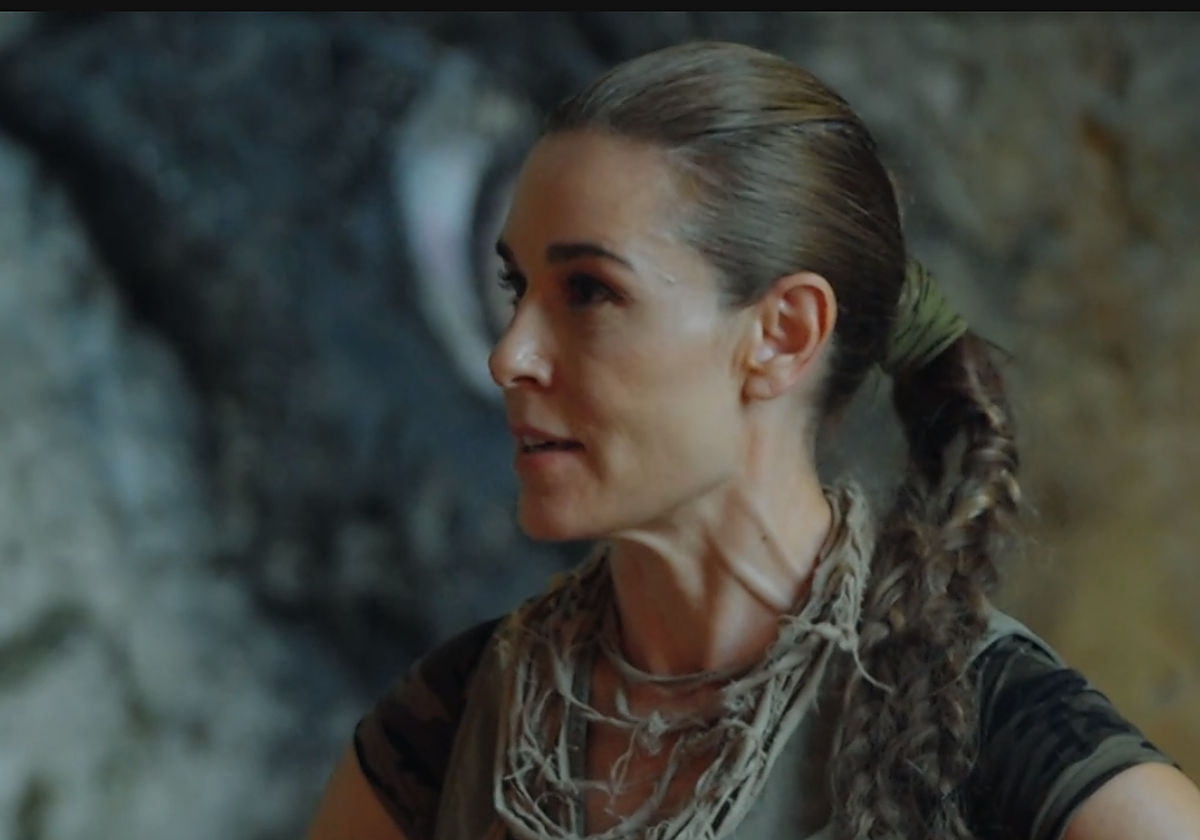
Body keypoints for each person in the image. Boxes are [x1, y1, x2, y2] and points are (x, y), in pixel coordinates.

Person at [305, 41, 1200, 840]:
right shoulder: (455, 721)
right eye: (517, 290)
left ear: (782, 335)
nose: (509, 356)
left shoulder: (982, 722)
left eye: (588, 292)